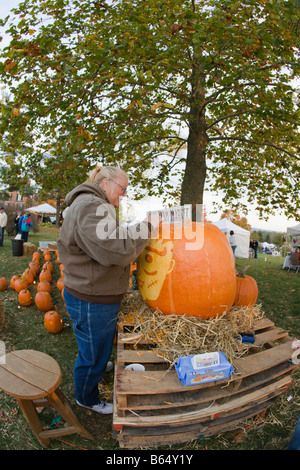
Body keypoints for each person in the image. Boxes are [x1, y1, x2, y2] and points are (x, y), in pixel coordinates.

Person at [57, 166, 160, 415]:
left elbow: (108, 236)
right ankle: (87, 397)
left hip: (92, 291)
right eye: (122, 189)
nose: (124, 195)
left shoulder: (94, 204)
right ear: (105, 184)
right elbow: (113, 248)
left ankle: (98, 365)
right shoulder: (91, 206)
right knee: (92, 352)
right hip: (91, 298)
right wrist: (146, 227)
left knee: (97, 345)